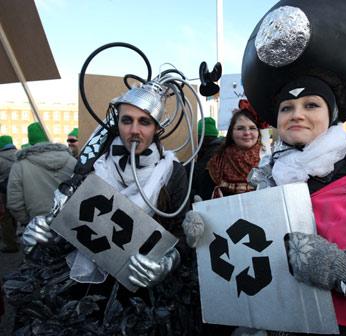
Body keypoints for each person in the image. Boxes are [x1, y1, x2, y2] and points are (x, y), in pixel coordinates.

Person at [183, 1, 346, 334]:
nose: (297, 114)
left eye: (311, 104)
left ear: (332, 114)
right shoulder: (268, 177)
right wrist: (210, 234)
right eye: (287, 107)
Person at [7, 79, 202, 335]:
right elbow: (65, 218)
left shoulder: (172, 171)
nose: (134, 130)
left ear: (157, 128)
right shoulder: (93, 164)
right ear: (116, 123)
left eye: (144, 122)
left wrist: (167, 263)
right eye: (126, 120)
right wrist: (43, 231)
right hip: (81, 282)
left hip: (139, 286)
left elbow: (178, 235)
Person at [6, 122, 76, 226]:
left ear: (30, 139)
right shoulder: (72, 161)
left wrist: (29, 223)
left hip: (38, 228)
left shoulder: (20, 166)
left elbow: (14, 203)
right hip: (69, 225)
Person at [206, 107, 262, 198]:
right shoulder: (217, 162)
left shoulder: (269, 160)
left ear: (258, 132)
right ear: (231, 133)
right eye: (240, 128)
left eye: (252, 128)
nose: (247, 133)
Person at [191, 117, 223, 200]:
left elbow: (200, 176)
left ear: (203, 137)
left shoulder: (211, 152)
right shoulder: (218, 147)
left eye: (198, 137)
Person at [0, 135, 19, 253]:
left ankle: (11, 244)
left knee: (5, 218)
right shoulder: (20, 155)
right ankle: (15, 237)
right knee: (14, 214)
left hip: (3, 192)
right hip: (18, 190)